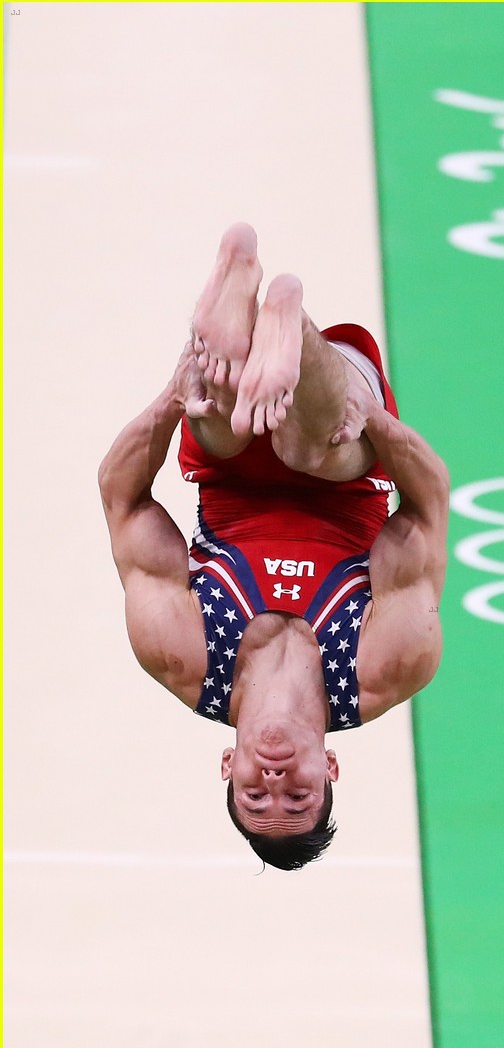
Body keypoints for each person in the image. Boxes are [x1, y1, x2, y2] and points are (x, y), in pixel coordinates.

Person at [98, 223, 449, 871]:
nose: (275, 776)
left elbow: (126, 501)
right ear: (331, 766)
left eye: (255, 791)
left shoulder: (182, 656)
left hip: (227, 472)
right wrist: (372, 416)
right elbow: (427, 507)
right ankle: (286, 324)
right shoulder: (384, 666)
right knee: (306, 445)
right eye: (298, 791)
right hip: (348, 463)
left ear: (227, 765)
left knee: (223, 419)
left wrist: (174, 398)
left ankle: (236, 325)